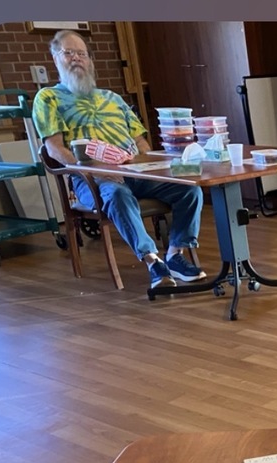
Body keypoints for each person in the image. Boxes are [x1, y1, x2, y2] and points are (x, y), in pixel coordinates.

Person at [33, 30, 206, 289]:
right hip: (89, 179)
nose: (76, 59)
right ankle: (153, 261)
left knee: (190, 190)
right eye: (68, 53)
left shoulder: (112, 98)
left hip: (135, 172)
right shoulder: (48, 98)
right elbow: (55, 149)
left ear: (90, 60)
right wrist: (91, 172)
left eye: (81, 54)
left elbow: (140, 142)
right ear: (56, 59)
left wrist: (150, 167)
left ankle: (175, 255)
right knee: (117, 194)